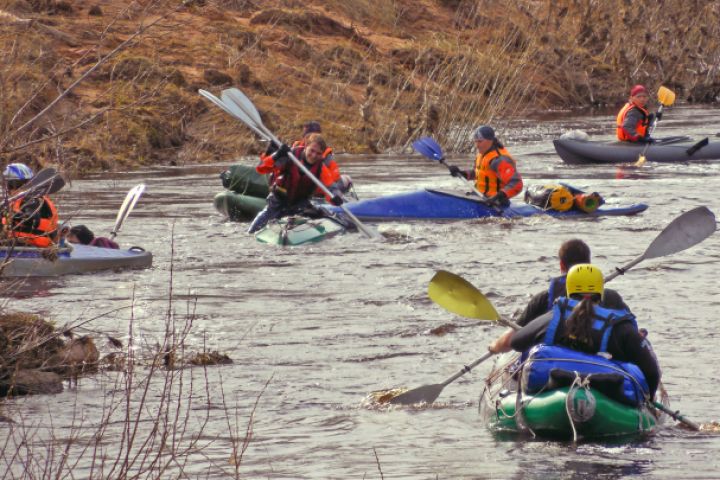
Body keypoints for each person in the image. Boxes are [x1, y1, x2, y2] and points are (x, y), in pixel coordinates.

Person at [507, 264, 660, 397]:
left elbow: (516, 342)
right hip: (606, 395)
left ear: (568, 290)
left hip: (553, 388)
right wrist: (649, 400)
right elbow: (652, 372)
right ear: (601, 294)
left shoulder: (553, 318)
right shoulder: (620, 326)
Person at [488, 239, 629, 353]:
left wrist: (493, 347)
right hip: (603, 362)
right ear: (589, 265)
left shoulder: (546, 301)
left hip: (555, 363)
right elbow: (630, 331)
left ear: (561, 264)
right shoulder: (612, 298)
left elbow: (512, 341)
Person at [249, 134, 345, 233]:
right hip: (278, 203)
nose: (314, 156)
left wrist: (336, 197)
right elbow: (261, 168)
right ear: (306, 146)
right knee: (252, 231)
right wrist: (276, 155)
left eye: (318, 153)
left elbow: (331, 188)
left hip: (300, 206)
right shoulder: (289, 156)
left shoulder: (321, 168)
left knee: (322, 215)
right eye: (312, 150)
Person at [447, 125, 523, 208]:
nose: (477, 145)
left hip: (496, 203)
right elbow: (478, 174)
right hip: (479, 198)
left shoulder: (500, 159)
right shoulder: (482, 155)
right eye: (475, 141)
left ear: (490, 141)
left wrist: (497, 197)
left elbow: (517, 184)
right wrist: (461, 173)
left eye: (480, 141)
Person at [1, 163, 58, 248]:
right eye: (10, 185)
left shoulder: (32, 200)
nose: (12, 189)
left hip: (35, 244)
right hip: (21, 241)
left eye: (12, 185)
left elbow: (32, 219)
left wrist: (7, 213)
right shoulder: (17, 201)